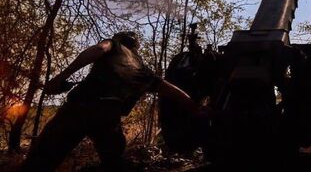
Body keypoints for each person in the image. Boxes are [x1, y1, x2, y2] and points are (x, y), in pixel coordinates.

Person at [22, 31, 203, 171]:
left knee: (40, 161)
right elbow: (172, 90)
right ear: (135, 47)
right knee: (114, 161)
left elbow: (99, 49)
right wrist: (195, 109)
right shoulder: (143, 70)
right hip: (108, 117)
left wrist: (62, 76)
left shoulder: (114, 45)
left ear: (119, 39)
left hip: (79, 109)